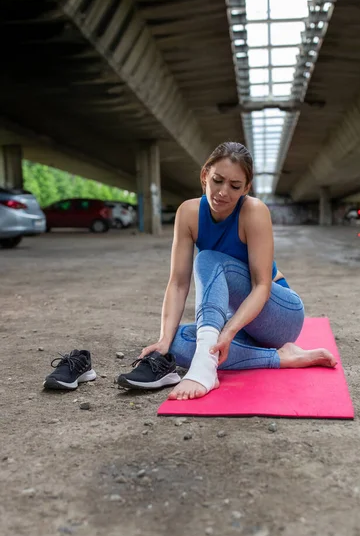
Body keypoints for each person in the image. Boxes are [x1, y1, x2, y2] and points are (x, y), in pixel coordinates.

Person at [134, 142, 336, 400]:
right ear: (205, 174)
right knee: (175, 343)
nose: (223, 192)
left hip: (279, 315)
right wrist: (163, 339)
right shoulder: (188, 213)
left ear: (247, 188)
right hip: (240, 320)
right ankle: (282, 357)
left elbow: (262, 285)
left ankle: (205, 369)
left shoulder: (254, 211)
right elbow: (178, 283)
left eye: (235, 186)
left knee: (207, 259)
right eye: (217, 180)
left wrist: (227, 332)